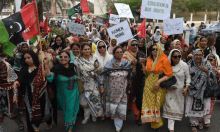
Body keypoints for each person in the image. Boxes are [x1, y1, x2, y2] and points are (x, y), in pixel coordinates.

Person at [13, 50, 51, 132]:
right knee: (30, 112)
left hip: (42, 93)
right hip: (29, 94)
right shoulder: (24, 69)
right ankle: (33, 128)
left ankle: (48, 122)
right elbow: (20, 78)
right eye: (25, 58)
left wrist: (46, 64)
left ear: (33, 57)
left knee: (44, 110)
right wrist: (17, 82)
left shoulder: (41, 67)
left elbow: (48, 75)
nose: (27, 60)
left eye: (29, 57)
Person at [100, 46, 135, 132]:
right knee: (113, 106)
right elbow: (103, 75)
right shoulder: (109, 63)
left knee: (121, 107)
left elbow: (131, 76)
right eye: (117, 52)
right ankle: (115, 119)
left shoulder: (127, 63)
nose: (120, 54)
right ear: (114, 54)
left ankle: (118, 126)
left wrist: (134, 66)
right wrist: (101, 86)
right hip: (111, 91)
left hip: (123, 90)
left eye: (121, 52)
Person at [44, 50, 79, 132]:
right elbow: (49, 76)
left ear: (69, 58)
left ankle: (70, 126)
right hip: (62, 94)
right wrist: (46, 63)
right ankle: (68, 122)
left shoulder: (73, 67)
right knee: (66, 109)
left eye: (65, 56)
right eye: (61, 57)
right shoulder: (56, 68)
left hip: (74, 92)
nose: (63, 58)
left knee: (72, 108)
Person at [141, 44, 173, 132]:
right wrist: (143, 65)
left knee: (157, 104)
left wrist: (158, 82)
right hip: (148, 84)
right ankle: (155, 124)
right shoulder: (149, 59)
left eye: (156, 49)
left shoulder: (164, 59)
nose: (154, 50)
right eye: (153, 49)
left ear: (159, 50)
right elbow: (147, 73)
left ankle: (156, 122)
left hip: (159, 84)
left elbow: (169, 75)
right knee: (149, 104)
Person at [185, 49, 216, 132]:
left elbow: (213, 76)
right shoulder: (189, 64)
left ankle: (199, 121)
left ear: (202, 56)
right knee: (192, 106)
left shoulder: (207, 64)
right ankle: (193, 123)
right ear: (194, 55)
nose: (198, 56)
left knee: (203, 106)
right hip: (192, 90)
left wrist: (205, 70)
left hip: (204, 90)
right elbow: (186, 76)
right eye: (197, 55)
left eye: (200, 55)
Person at [74, 43, 103, 124]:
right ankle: (86, 117)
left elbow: (100, 67)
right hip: (84, 83)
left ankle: (94, 115)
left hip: (95, 82)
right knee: (86, 100)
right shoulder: (78, 60)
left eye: (88, 49)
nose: (87, 51)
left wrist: (94, 71)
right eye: (85, 49)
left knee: (95, 99)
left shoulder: (94, 57)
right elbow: (77, 72)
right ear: (81, 50)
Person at [163, 49, 191, 132]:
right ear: (171, 57)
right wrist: (168, 85)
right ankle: (171, 127)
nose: (177, 58)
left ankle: (172, 121)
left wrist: (186, 88)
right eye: (175, 56)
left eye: (179, 56)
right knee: (170, 106)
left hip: (180, 91)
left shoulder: (184, 65)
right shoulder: (167, 65)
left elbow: (188, 77)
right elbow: (164, 77)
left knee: (177, 107)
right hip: (169, 90)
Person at [0, 59, 24, 132]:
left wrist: (15, 94)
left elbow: (14, 82)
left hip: (8, 92)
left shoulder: (6, 65)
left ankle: (20, 123)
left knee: (12, 113)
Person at [94, 40, 113, 121]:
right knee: (100, 96)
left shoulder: (111, 57)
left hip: (109, 80)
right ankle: (102, 113)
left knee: (108, 96)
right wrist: (99, 69)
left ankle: (108, 112)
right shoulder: (95, 57)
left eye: (103, 46)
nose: (102, 48)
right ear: (97, 48)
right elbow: (95, 69)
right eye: (100, 47)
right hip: (98, 79)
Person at [204, 53, 220, 128]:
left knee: (210, 105)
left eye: (211, 60)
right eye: (208, 59)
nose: (209, 61)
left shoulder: (218, 68)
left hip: (214, 90)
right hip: (205, 89)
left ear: (216, 61)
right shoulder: (204, 67)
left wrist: (217, 71)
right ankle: (200, 120)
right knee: (203, 105)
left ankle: (207, 121)